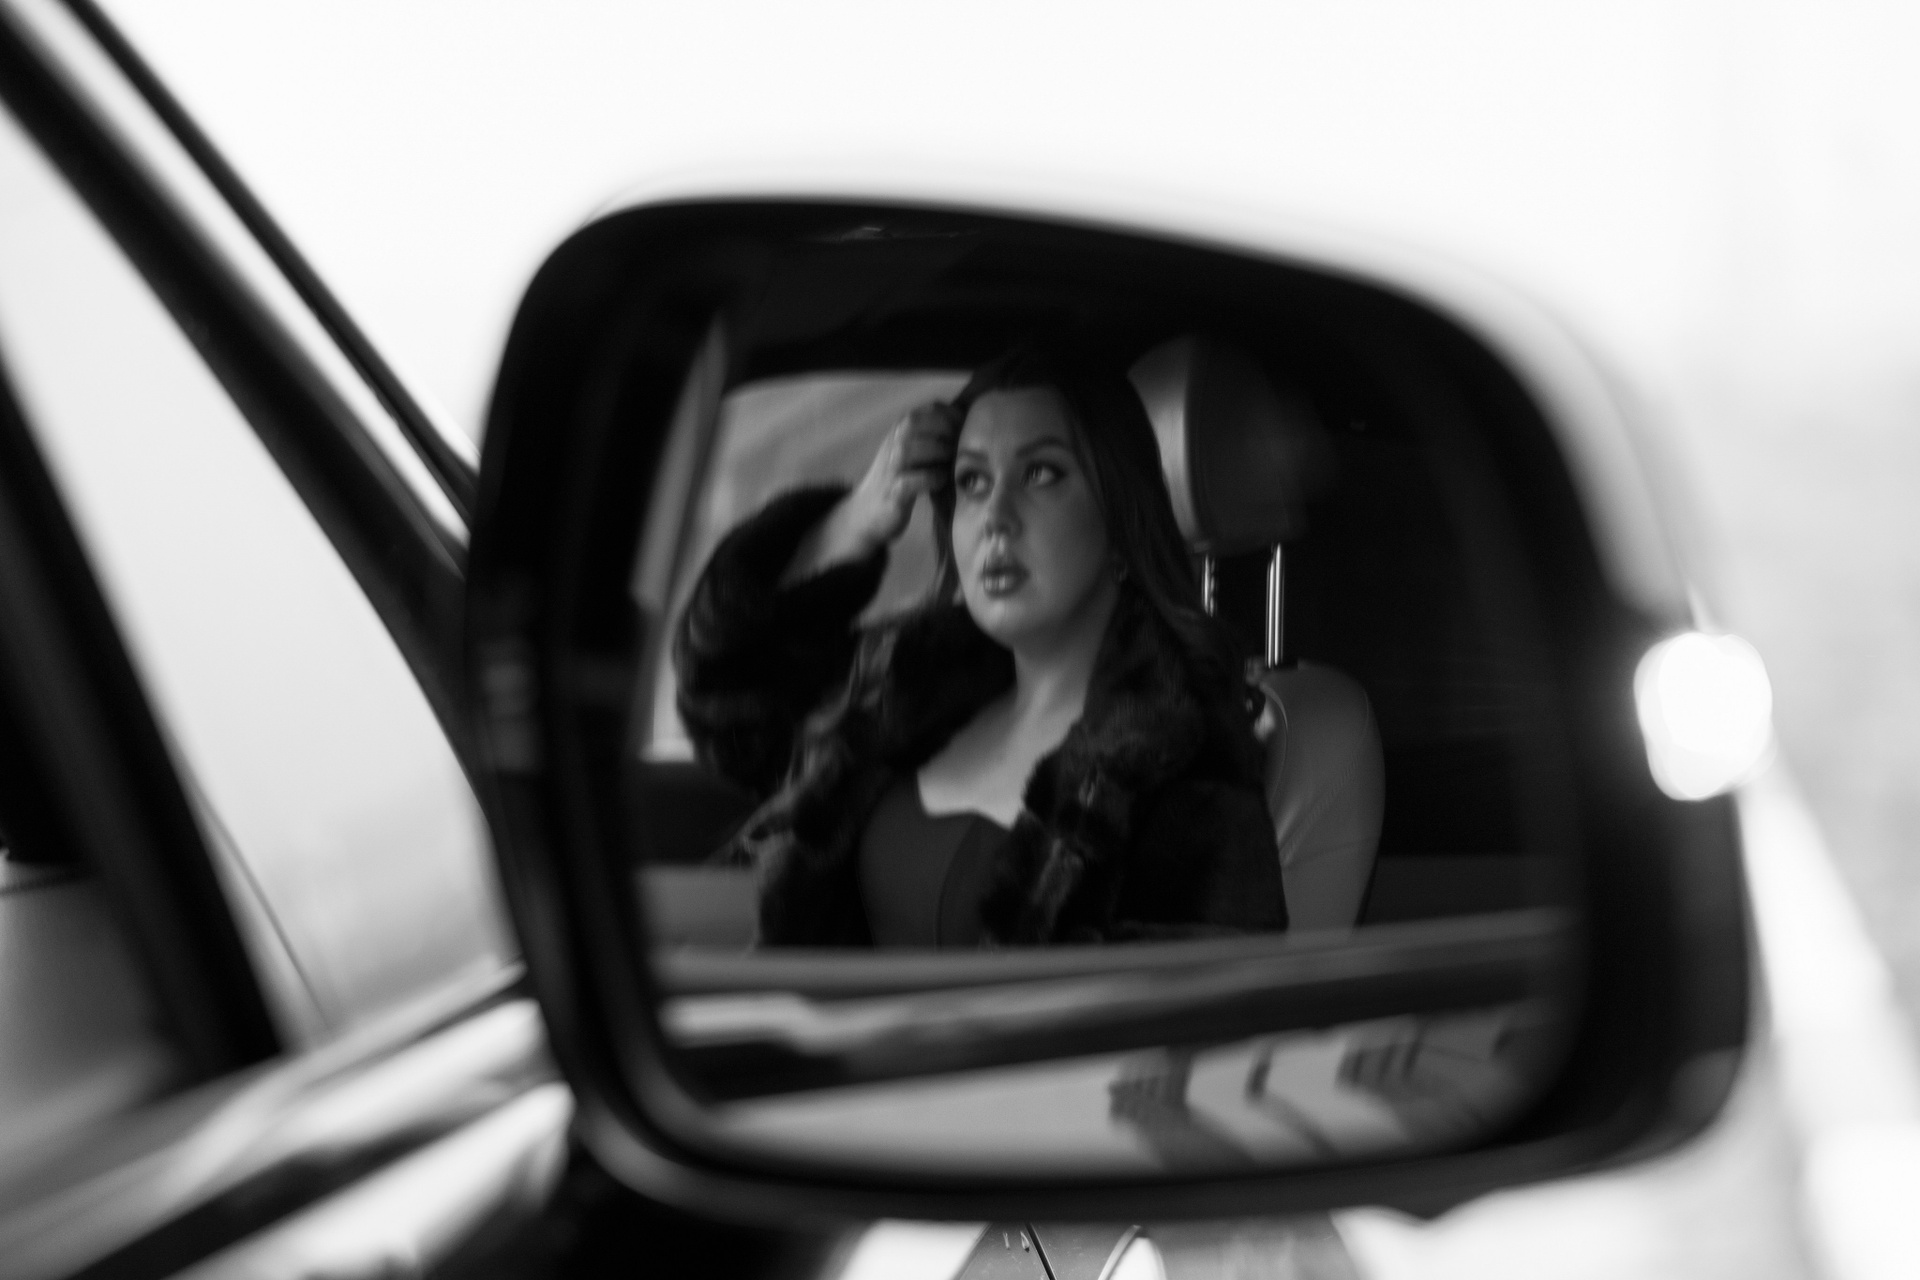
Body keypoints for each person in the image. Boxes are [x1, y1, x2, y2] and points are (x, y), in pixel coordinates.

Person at [673, 340, 1287, 946]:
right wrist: (858, 518)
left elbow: (1199, 993)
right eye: (971, 481)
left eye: (1041, 474)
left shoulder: (1179, 755)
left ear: (1120, 524)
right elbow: (721, 696)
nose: (995, 516)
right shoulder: (902, 684)